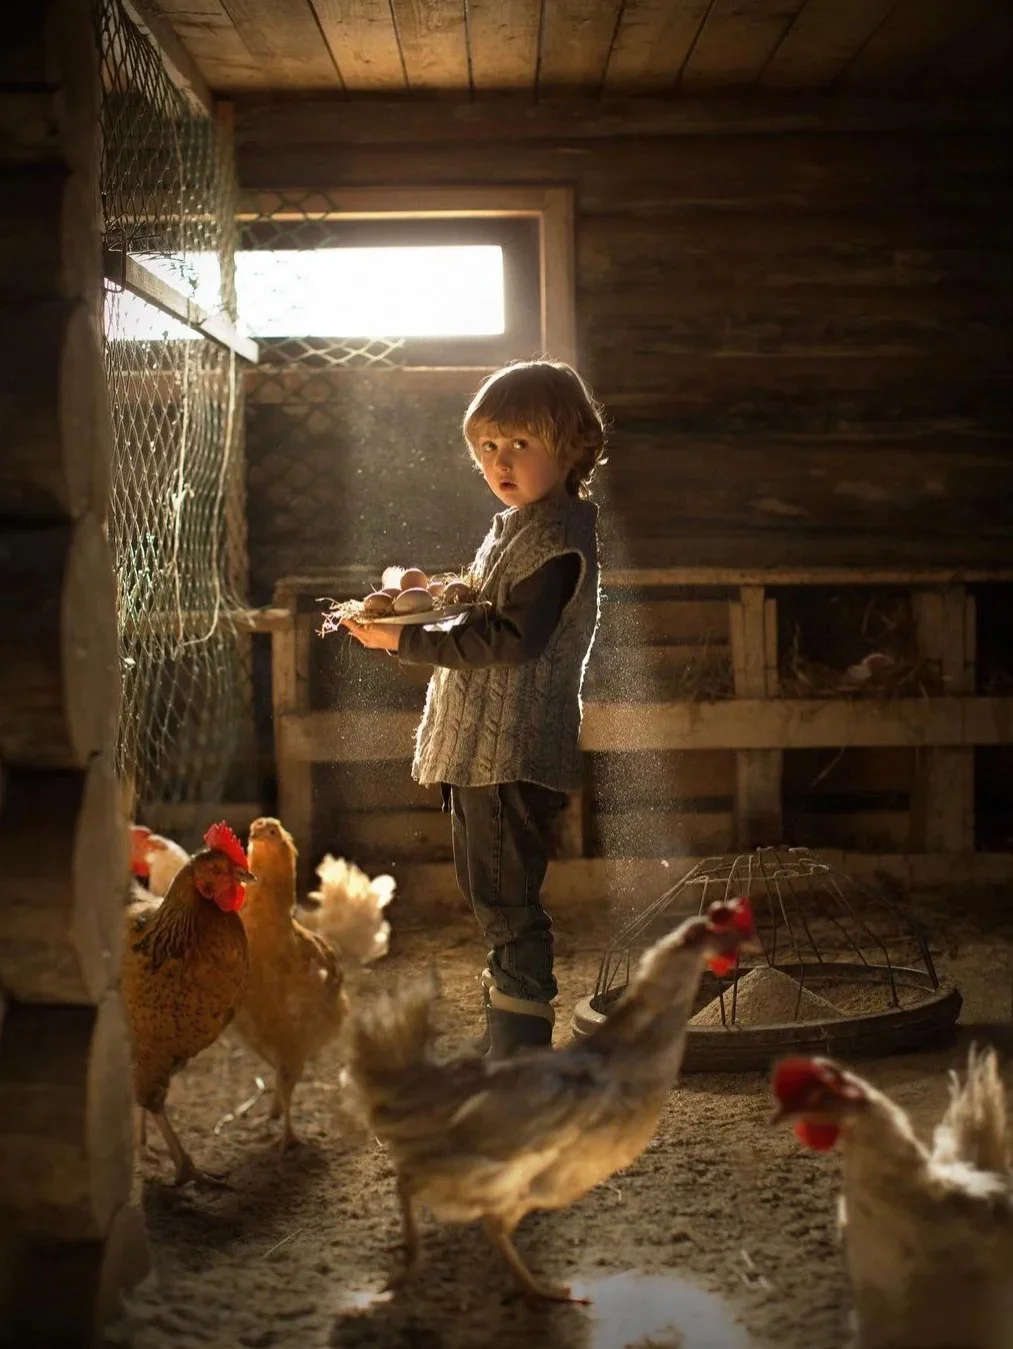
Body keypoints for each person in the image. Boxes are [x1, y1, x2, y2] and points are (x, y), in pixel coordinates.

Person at [342, 359, 606, 1057]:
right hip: (484, 750)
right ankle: (511, 1042)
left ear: (571, 445)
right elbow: (490, 600)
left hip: (508, 751)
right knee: (493, 896)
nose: (500, 461)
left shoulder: (555, 540)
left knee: (504, 903)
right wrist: (436, 597)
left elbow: (511, 638)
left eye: (519, 443)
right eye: (488, 446)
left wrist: (407, 640)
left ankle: (517, 1054)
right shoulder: (518, 527)